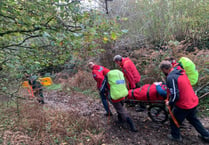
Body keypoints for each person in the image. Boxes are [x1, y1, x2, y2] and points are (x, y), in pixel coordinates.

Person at [159, 60, 209, 143]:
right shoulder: (179, 71)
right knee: (193, 119)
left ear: (164, 69)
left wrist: (170, 103)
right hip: (192, 100)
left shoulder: (171, 77)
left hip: (184, 104)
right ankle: (206, 135)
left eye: (162, 71)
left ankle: (175, 136)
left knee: (174, 119)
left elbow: (175, 95)